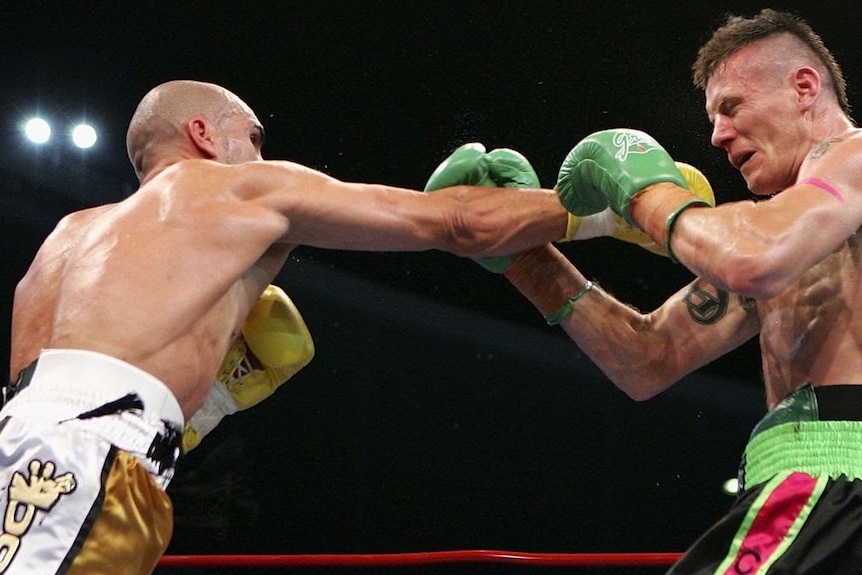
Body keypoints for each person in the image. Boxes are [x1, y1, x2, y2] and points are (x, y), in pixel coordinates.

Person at [0, 79, 569, 574]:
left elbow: (57, 393)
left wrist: (206, 406)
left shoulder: (67, 236)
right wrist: (624, 206)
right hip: (78, 467)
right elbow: (458, 222)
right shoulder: (233, 186)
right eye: (251, 138)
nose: (260, 154)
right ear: (202, 134)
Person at [447, 8, 862, 574]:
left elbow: (752, 258)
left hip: (841, 484)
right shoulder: (794, 232)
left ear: (804, 87)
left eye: (731, 108)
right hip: (802, 489)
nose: (717, 135)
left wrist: (648, 194)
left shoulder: (854, 160)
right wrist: (527, 261)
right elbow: (646, 359)